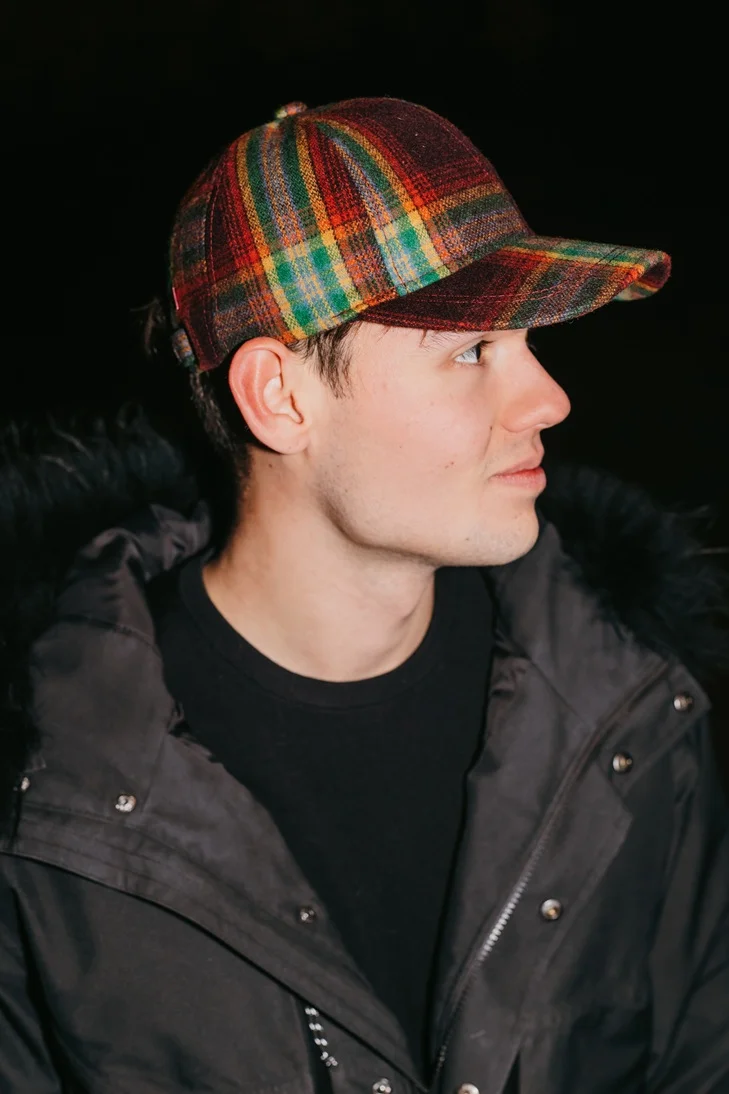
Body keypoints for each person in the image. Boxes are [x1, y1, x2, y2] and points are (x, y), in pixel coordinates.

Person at [1, 96, 727, 1094]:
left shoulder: (625, 713)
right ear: (281, 397)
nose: (549, 399)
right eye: (469, 351)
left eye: (526, 344)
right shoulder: (48, 790)